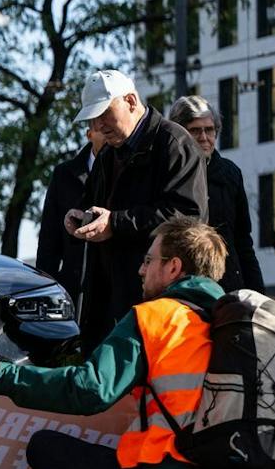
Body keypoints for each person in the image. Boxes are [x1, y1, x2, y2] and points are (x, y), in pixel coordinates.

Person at [0, 217, 258, 469]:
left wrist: (5, 375)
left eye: (148, 261)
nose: (141, 270)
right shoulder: (237, 322)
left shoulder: (156, 316)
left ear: (173, 267)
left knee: (45, 447)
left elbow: (90, 389)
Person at [65, 69, 205, 348]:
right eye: (93, 117)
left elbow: (188, 218)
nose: (98, 124)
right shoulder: (109, 153)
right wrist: (79, 215)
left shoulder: (174, 144)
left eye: (104, 113)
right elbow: (96, 203)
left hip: (159, 301)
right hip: (112, 299)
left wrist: (115, 223)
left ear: (130, 101)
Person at [167, 94, 264, 293]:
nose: (204, 138)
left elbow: (243, 241)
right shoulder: (164, 173)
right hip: (181, 286)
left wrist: (258, 293)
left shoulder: (230, 174)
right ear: (180, 134)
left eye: (209, 130)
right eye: (195, 131)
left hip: (227, 286)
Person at [34, 120, 103, 299]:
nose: (108, 134)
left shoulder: (126, 170)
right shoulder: (63, 175)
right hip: (72, 286)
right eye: (102, 129)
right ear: (90, 135)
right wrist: (45, 289)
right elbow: (49, 239)